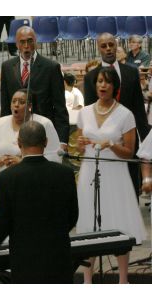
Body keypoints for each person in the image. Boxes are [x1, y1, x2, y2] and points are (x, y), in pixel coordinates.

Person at [0, 120, 78, 284]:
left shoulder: (5, 178)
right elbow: (73, 215)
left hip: (25, 258)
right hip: (59, 254)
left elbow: (1, 221)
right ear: (45, 142)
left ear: (19, 143)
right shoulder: (65, 173)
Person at [76, 67, 147, 284]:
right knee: (88, 222)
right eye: (99, 81)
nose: (102, 86)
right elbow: (81, 147)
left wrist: (112, 145)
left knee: (118, 222)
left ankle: (122, 280)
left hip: (115, 173)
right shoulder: (84, 112)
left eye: (107, 82)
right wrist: (80, 145)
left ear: (114, 86)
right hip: (89, 172)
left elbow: (129, 152)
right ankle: (87, 280)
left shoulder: (125, 114)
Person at [84, 33, 150, 199]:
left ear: (117, 45)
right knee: (105, 188)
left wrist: (146, 141)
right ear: (99, 48)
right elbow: (90, 112)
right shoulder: (91, 77)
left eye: (111, 45)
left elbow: (138, 111)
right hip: (104, 140)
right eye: (104, 46)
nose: (108, 49)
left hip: (129, 138)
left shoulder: (132, 72)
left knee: (130, 184)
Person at [0, 26, 69, 148]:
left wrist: (62, 140)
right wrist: (3, 132)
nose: (26, 45)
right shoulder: (7, 67)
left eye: (30, 41)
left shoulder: (51, 67)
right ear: (17, 44)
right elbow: (5, 105)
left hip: (43, 133)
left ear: (36, 41)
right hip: (16, 133)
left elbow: (60, 107)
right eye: (22, 42)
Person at [0, 89, 61, 182]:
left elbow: (55, 156)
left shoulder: (44, 123)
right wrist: (1, 160)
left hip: (35, 180)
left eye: (21, 102)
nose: (16, 105)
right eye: (13, 101)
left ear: (30, 106)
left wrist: (23, 162)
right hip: (6, 181)